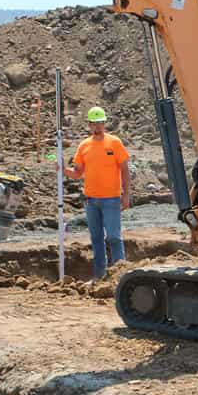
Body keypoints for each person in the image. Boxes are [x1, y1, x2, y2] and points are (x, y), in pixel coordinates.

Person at [64, 106, 131, 279]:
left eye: (100, 123)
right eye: (94, 123)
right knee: (96, 239)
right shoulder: (84, 146)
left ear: (104, 123)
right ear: (89, 125)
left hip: (111, 200)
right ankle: (99, 276)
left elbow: (124, 169)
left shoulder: (114, 142)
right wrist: (62, 169)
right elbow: (77, 173)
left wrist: (126, 195)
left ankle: (120, 275)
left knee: (114, 237)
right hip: (91, 201)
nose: (97, 127)